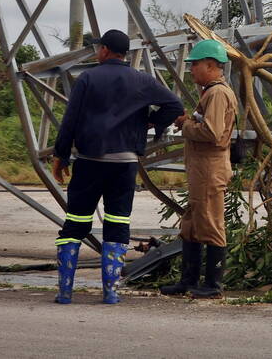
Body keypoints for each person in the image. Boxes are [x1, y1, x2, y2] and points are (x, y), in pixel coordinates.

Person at [52, 29, 184, 304]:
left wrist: (61, 155)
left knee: (75, 222)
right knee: (117, 222)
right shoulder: (141, 80)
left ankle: (65, 292)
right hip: (124, 165)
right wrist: (151, 122)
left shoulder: (87, 78)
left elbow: (70, 120)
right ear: (124, 54)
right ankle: (111, 293)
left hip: (89, 162)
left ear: (104, 50)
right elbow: (174, 104)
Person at [159, 39, 238, 299]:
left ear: (211, 65)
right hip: (202, 170)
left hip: (210, 169)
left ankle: (213, 285)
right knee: (192, 224)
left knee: (211, 224)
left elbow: (212, 132)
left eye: (195, 65)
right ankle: (188, 281)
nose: (191, 69)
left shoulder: (217, 93)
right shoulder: (212, 92)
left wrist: (185, 126)